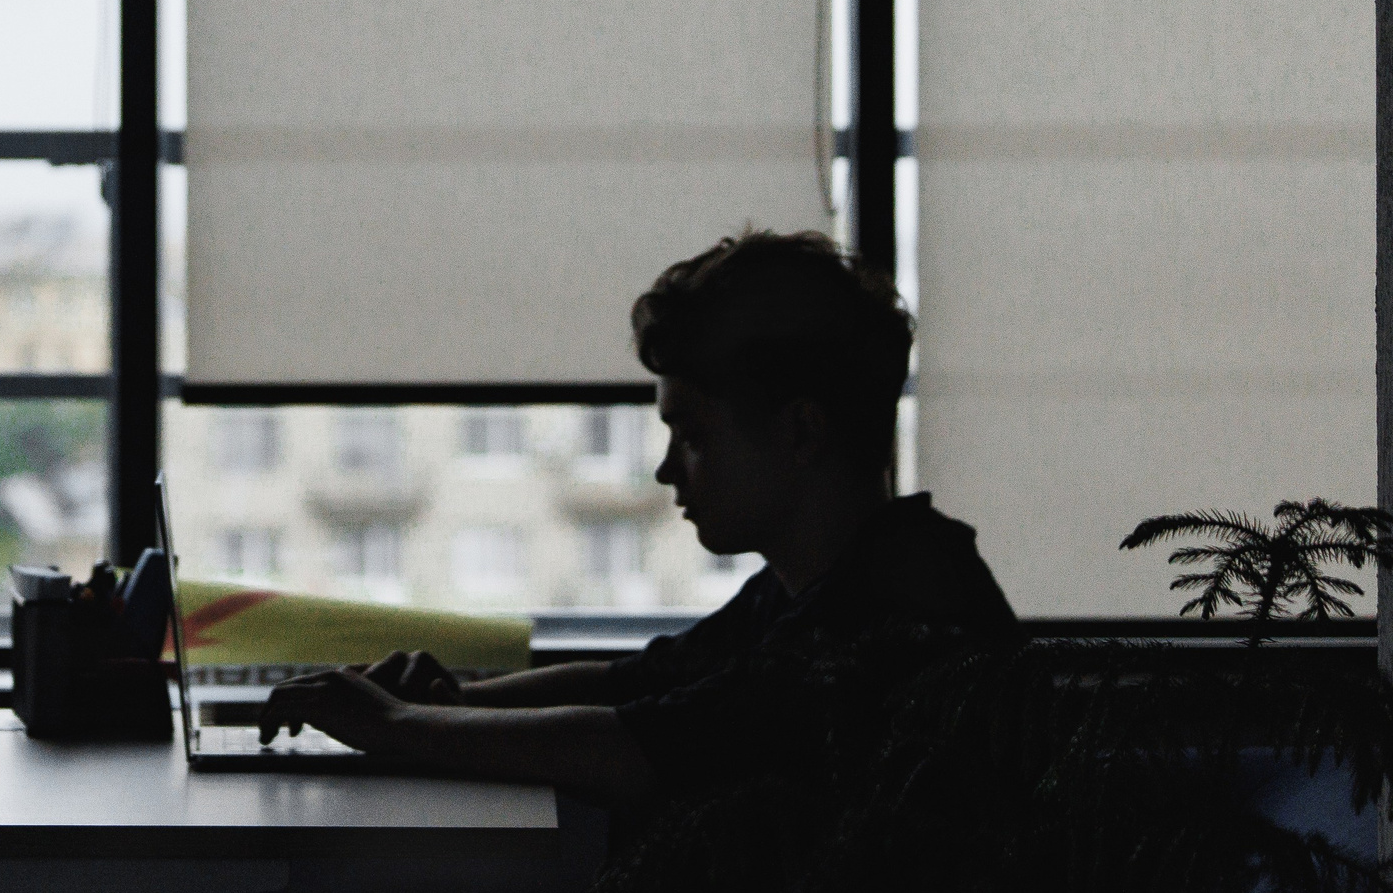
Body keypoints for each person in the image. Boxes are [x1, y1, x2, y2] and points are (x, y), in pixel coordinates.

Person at [255, 228, 1017, 807]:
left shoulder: (902, 605)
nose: (665, 468)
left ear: (800, 432)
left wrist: (398, 726)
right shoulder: (814, 584)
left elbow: (649, 741)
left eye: (693, 435)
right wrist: (444, 701)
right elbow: (636, 682)